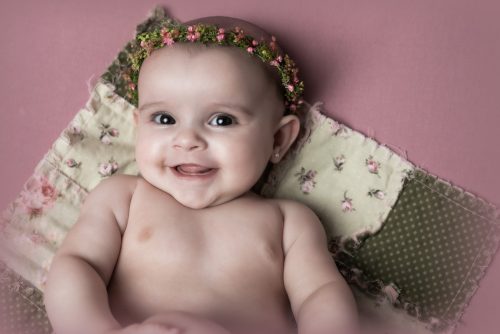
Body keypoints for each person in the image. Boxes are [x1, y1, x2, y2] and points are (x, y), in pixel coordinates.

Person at [44, 16, 359, 334]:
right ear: (138, 126)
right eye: (164, 118)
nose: (187, 140)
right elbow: (77, 265)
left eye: (222, 120)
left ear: (277, 140)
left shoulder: (289, 223)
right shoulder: (122, 198)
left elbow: (321, 295)